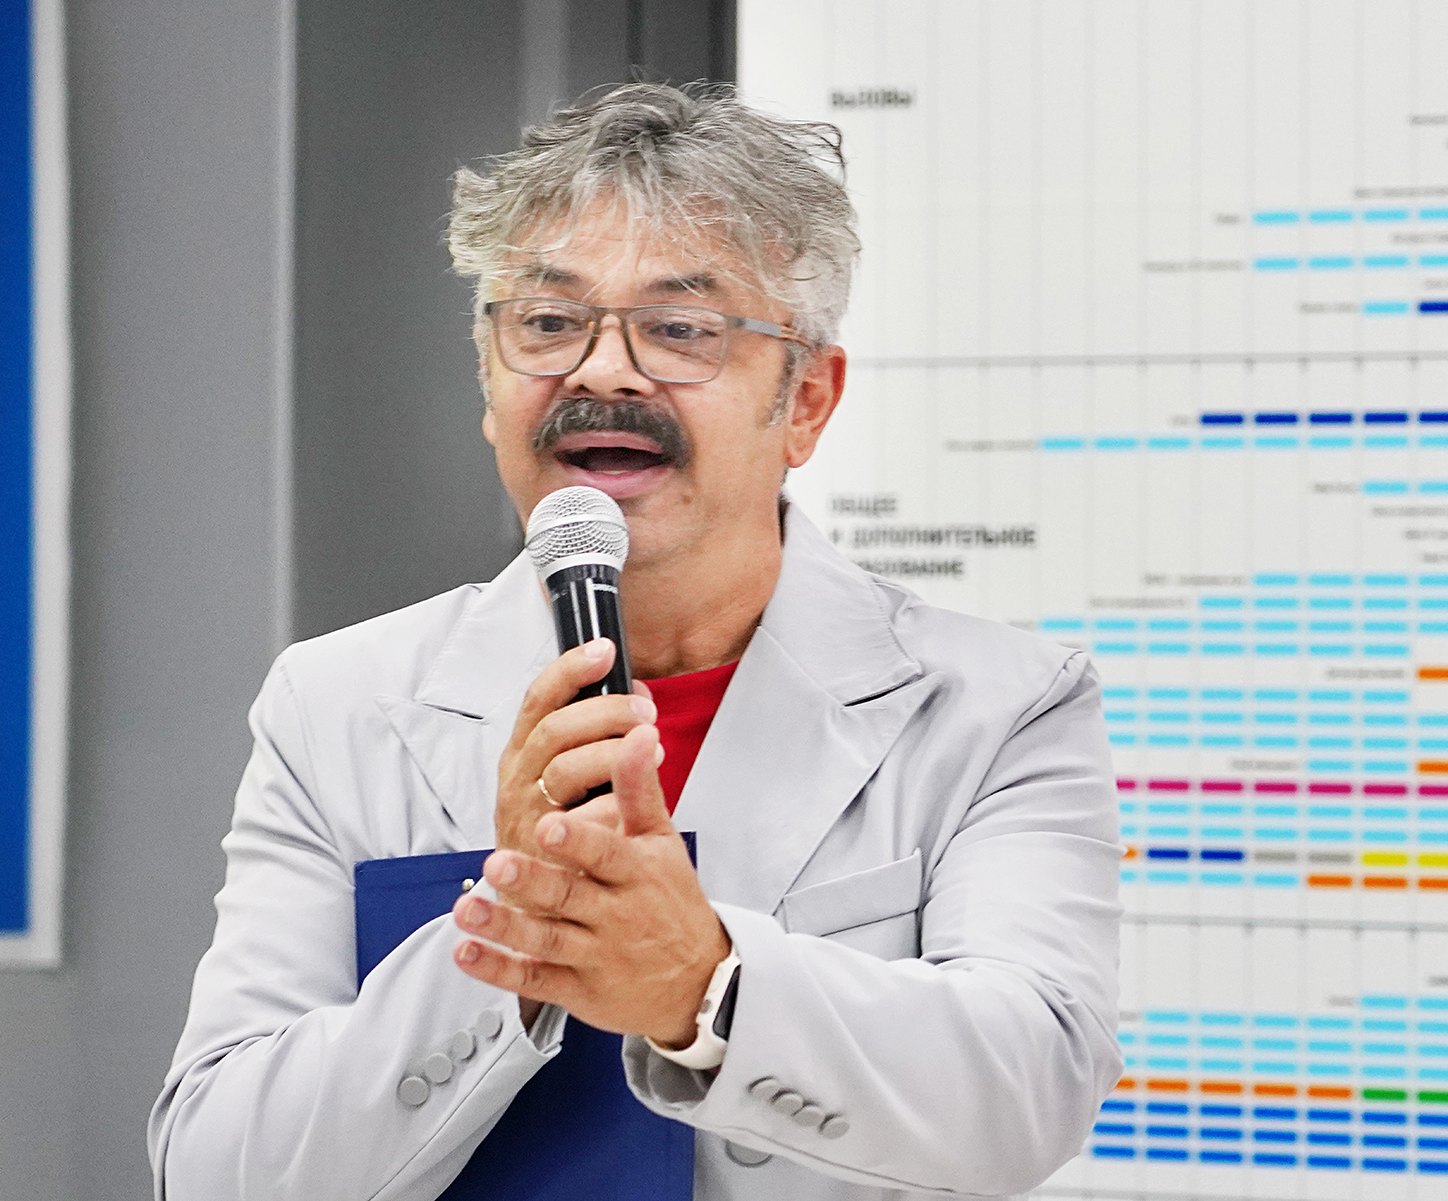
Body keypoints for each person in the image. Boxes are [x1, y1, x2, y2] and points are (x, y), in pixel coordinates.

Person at [150, 83, 1122, 1201]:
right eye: (548, 323)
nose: (602, 371)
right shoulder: (335, 701)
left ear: (807, 400)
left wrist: (705, 985)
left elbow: (1033, 1093)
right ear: (488, 383)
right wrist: (506, 950)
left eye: (680, 329)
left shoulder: (1001, 705)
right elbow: (216, 1169)